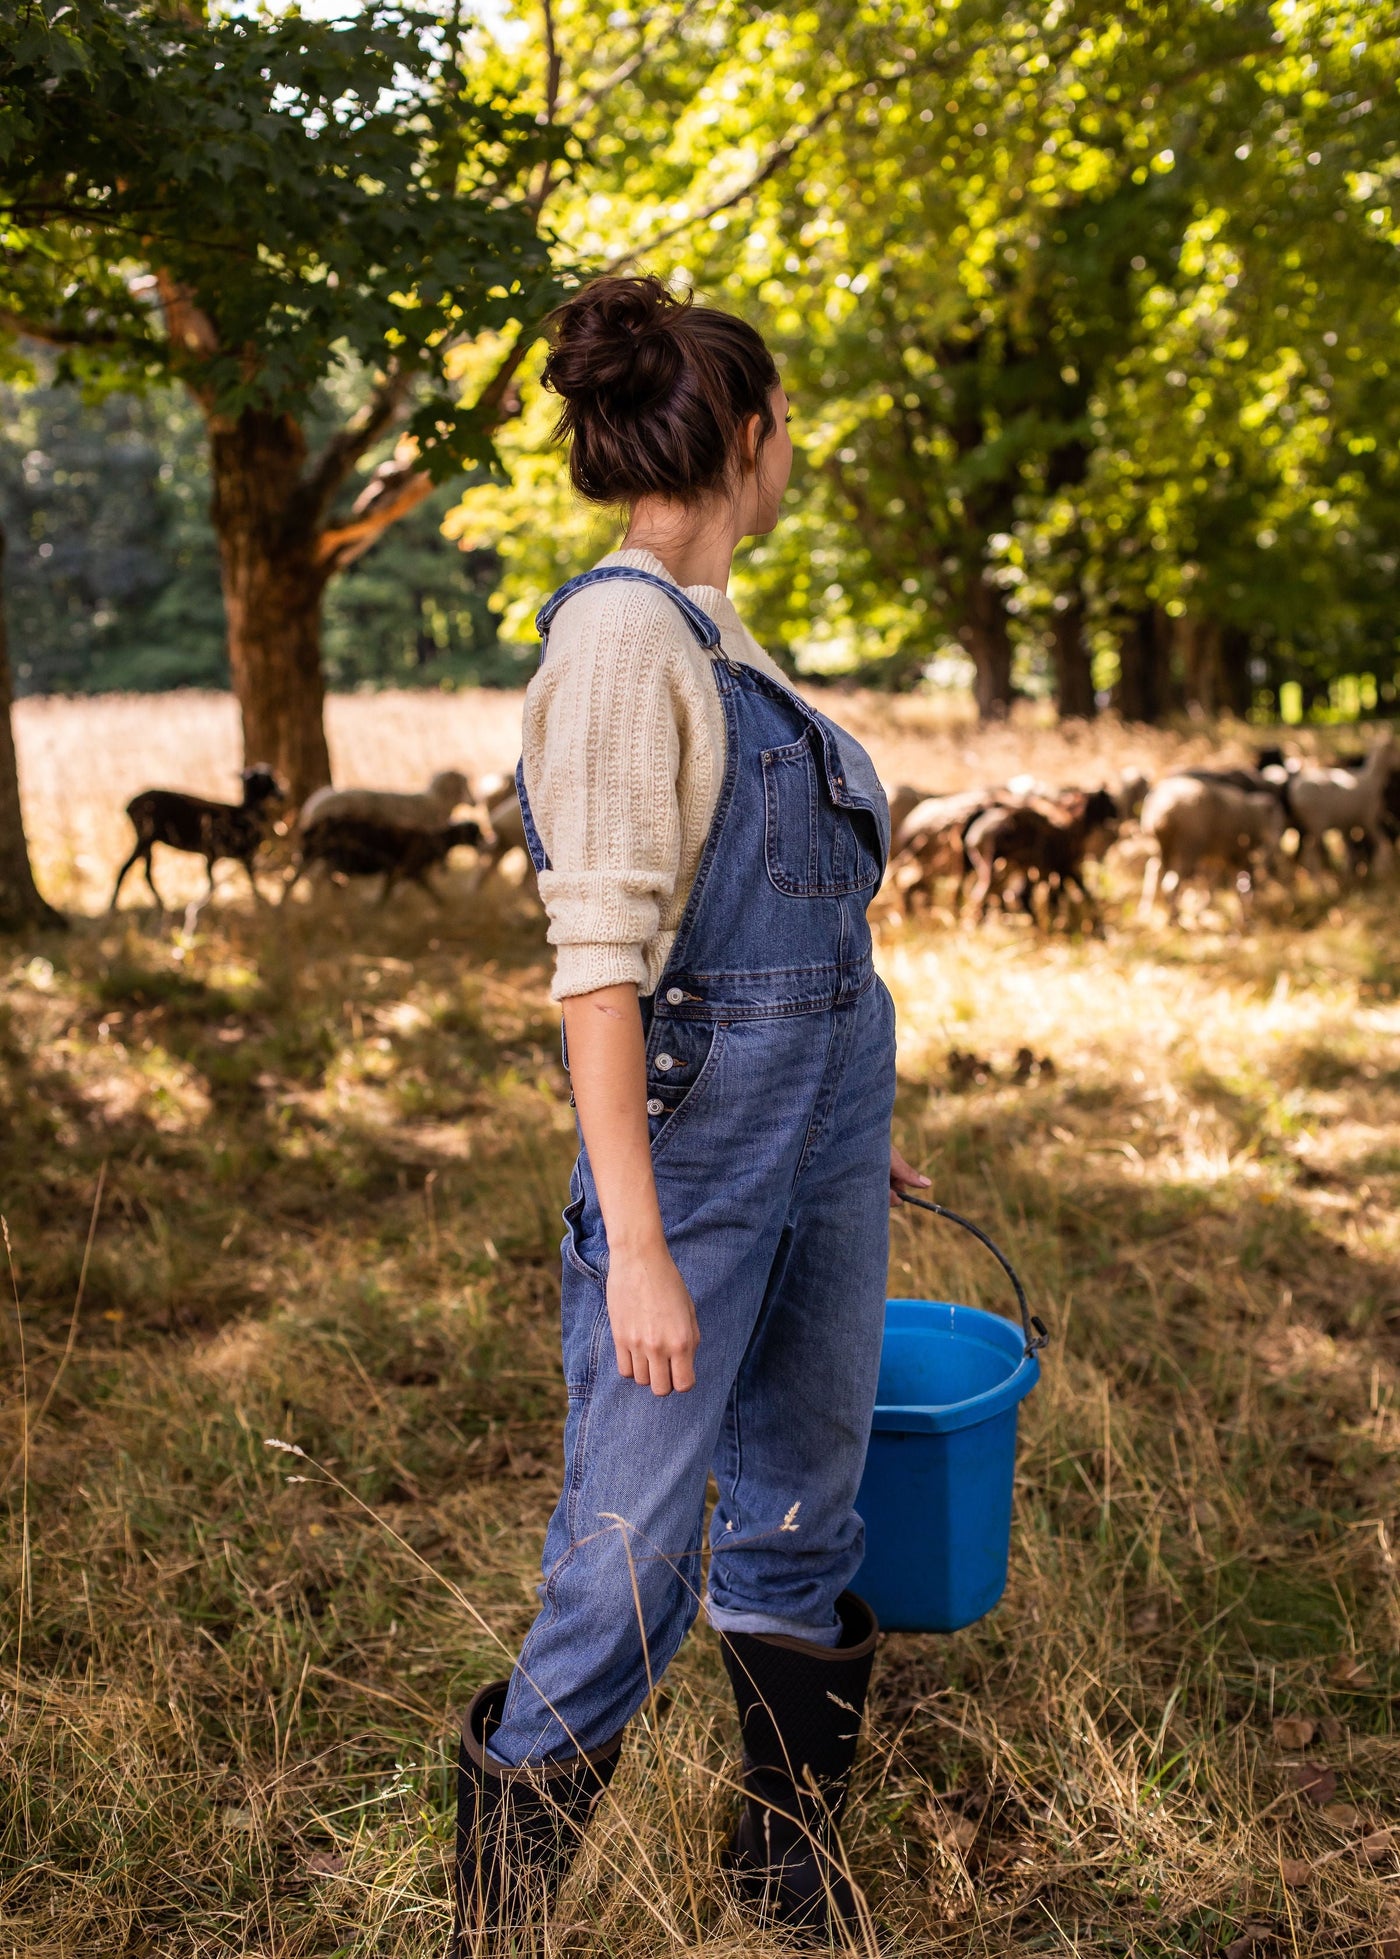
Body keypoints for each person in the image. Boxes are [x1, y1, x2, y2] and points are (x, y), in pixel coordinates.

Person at [453, 274, 929, 1953]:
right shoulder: (617, 636)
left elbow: (796, 946)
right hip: (698, 1168)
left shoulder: (729, 641)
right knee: (633, 1548)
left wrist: (838, 1117)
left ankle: (783, 1878)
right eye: (786, 423)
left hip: (811, 1138)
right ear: (748, 434)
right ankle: (501, 1917)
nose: (791, 448)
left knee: (806, 1501)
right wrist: (641, 1243)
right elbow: (602, 973)